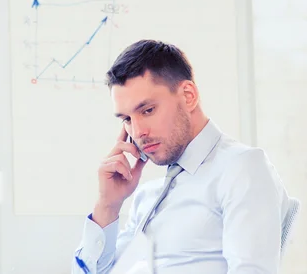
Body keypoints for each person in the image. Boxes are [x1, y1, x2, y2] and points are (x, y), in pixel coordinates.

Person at [72, 40, 290, 274]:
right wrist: (107, 206)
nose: (137, 132)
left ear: (188, 96)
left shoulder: (241, 168)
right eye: (126, 119)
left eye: (147, 110)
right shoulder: (146, 196)